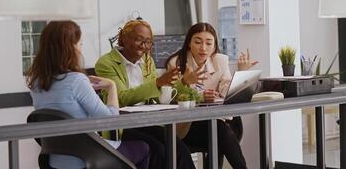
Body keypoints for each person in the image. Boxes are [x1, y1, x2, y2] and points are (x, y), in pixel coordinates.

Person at [26, 21, 150, 169]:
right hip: (88, 158)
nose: (80, 50)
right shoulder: (76, 81)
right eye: (80, 44)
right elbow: (111, 122)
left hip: (55, 161)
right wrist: (111, 87)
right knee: (145, 148)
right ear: (69, 48)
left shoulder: (36, 83)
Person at [95, 19, 196, 169]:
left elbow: (158, 96)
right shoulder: (106, 63)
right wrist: (157, 83)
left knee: (179, 150)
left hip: (146, 122)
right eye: (139, 40)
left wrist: (184, 82)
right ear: (124, 38)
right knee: (159, 152)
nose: (144, 46)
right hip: (123, 126)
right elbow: (122, 98)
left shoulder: (147, 61)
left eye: (148, 42)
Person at [166, 22, 257, 169]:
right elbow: (172, 97)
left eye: (209, 43)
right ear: (189, 43)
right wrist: (200, 96)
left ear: (214, 46)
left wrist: (241, 73)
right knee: (219, 131)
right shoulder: (176, 63)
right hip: (187, 126)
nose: (203, 48)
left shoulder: (220, 60)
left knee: (219, 130)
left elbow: (226, 91)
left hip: (219, 122)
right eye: (197, 42)